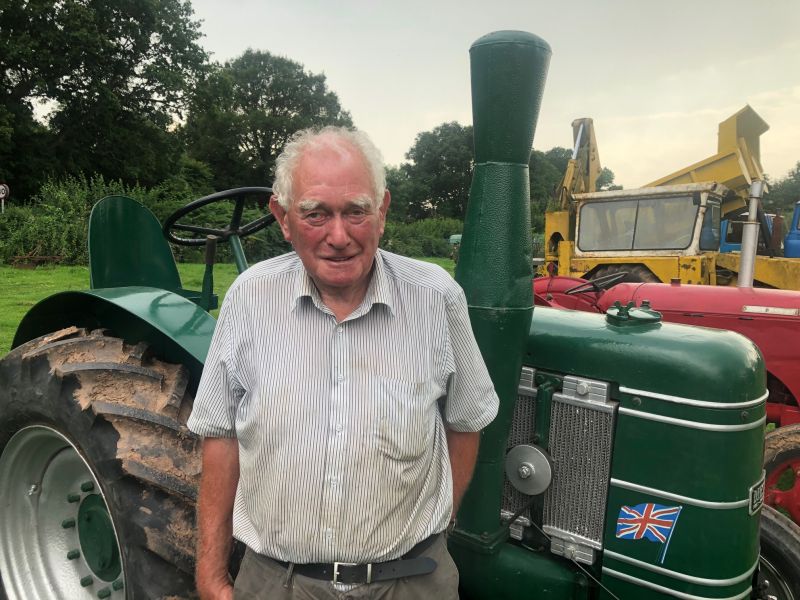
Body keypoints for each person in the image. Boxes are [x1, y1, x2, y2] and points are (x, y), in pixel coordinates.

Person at [187, 126, 499, 600]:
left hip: (411, 581)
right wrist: (210, 575)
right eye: (315, 213)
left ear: (383, 212)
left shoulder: (436, 298)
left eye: (356, 211)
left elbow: (465, 421)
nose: (339, 236)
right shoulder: (248, 298)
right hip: (278, 583)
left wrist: (437, 525)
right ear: (283, 217)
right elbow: (221, 435)